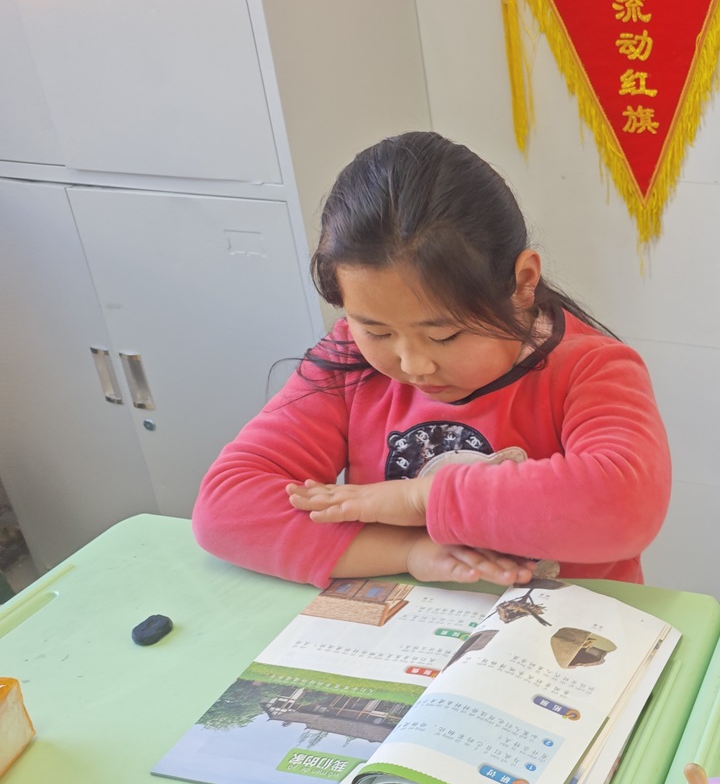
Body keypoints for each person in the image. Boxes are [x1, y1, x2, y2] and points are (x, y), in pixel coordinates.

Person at [193, 132, 671, 590]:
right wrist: (407, 552)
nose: (413, 364)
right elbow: (226, 510)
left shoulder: (590, 369)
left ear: (523, 283)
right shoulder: (348, 361)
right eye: (377, 331)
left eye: (444, 335)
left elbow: (624, 504)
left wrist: (419, 498)